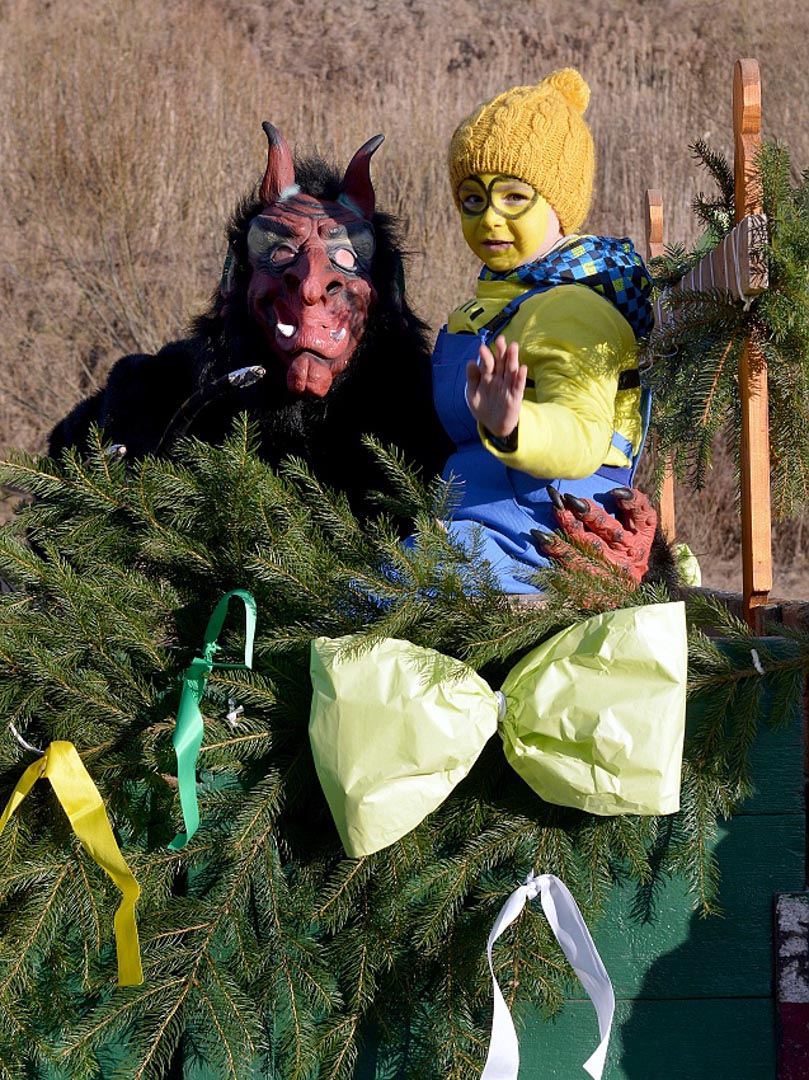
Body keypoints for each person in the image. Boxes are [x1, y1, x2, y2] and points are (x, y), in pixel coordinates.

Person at [433, 68, 654, 592]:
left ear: (559, 206)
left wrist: (514, 426)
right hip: (474, 524)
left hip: (539, 535)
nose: (489, 219)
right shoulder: (486, 308)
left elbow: (583, 434)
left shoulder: (572, 309)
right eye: (473, 200)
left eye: (513, 198)